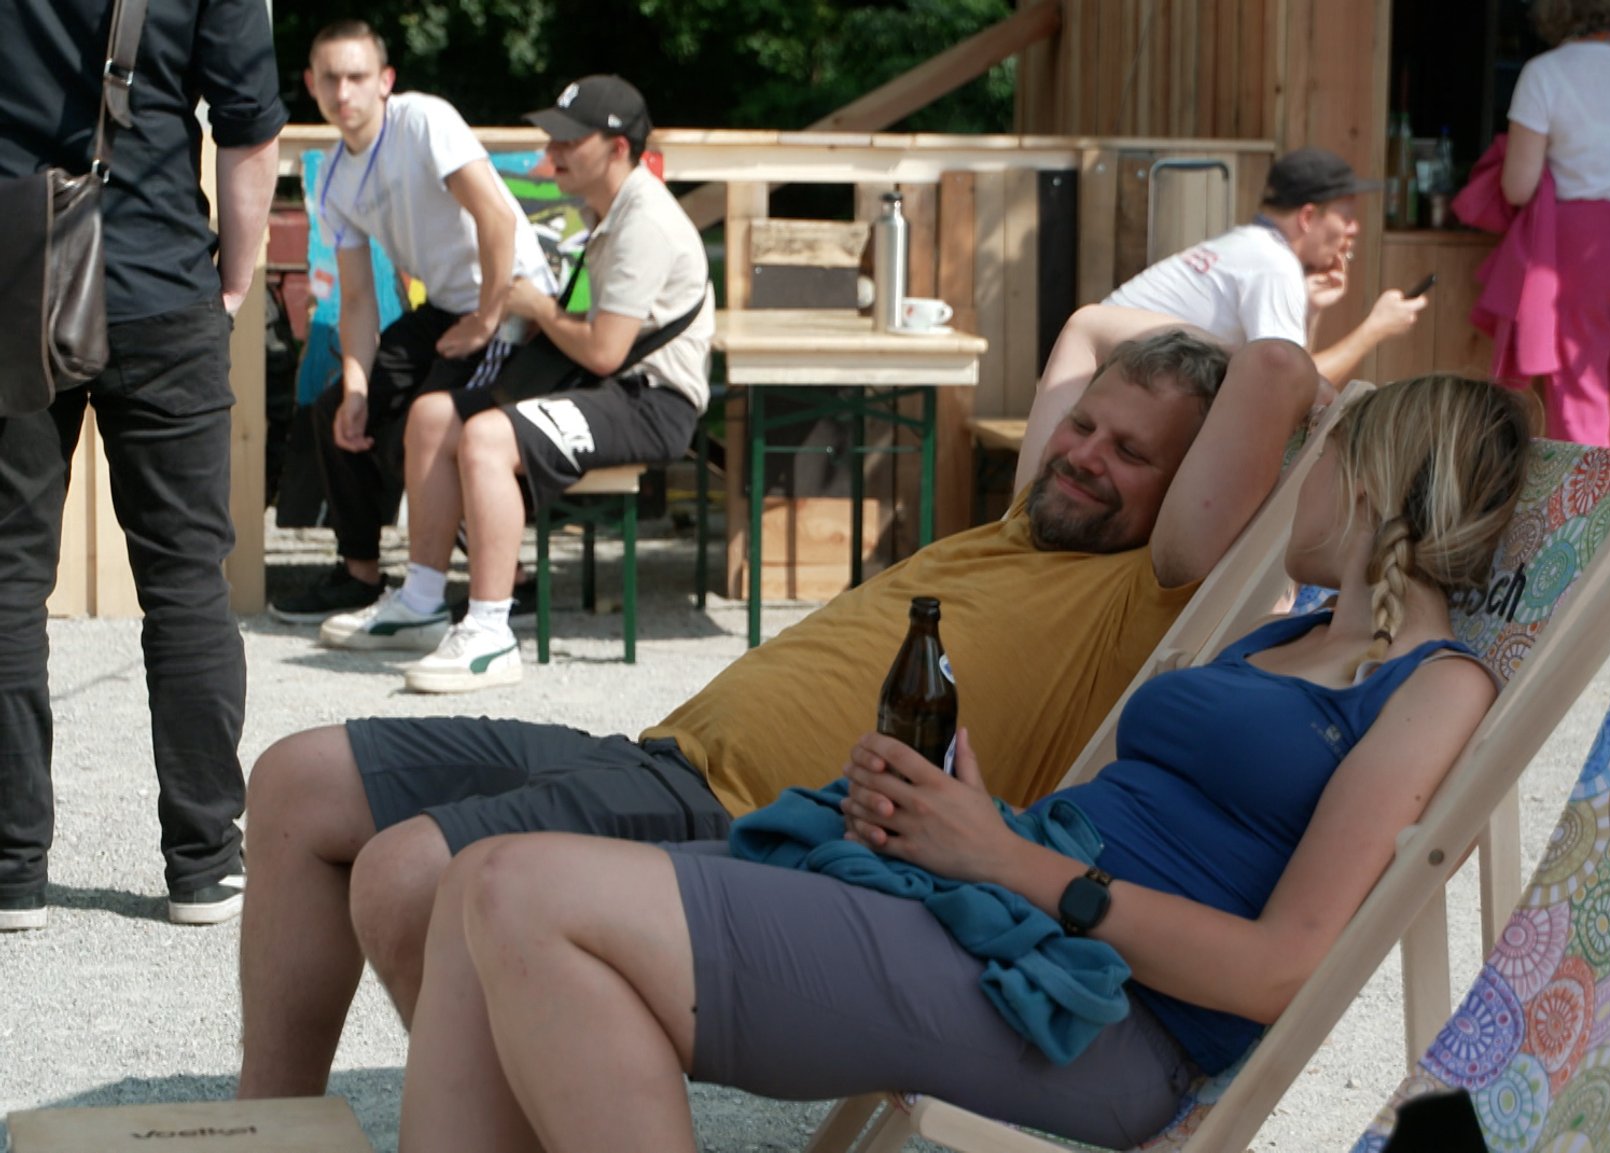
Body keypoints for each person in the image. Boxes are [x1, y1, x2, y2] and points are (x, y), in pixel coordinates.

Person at [394, 373, 1536, 1151]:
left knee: (518, 890)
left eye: (1321, 457)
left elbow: (1277, 971)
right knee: (473, 888)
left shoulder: (1433, 685)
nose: (1303, 481)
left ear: (1369, 483)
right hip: (995, 908)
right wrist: (972, 815)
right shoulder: (1284, 635)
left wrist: (1004, 857)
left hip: (1089, 1013)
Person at [236, 316, 1319, 1098]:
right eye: (1085, 427)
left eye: (1132, 453)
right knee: (298, 774)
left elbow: (1273, 366)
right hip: (657, 755)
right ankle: (270, 1128)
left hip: (750, 811)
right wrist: (1139, 382)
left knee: (407, 872)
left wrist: (1257, 390)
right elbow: (1087, 327)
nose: (1084, 456)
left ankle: (515, 1118)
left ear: (1185, 488)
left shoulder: (1148, 584)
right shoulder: (1026, 520)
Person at [0, 0, 285, 930]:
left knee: (5, 582)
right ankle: (204, 866)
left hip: (13, 280)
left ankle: (11, 873)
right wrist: (234, 285)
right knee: (186, 581)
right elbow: (247, 132)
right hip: (163, 282)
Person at [321, 75, 714, 694]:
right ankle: (421, 602)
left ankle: (489, 632)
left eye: (566, 142)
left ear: (616, 150)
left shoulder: (645, 221)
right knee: (430, 417)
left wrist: (535, 306)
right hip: (612, 387)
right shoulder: (610, 208)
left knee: (485, 439)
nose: (547, 154)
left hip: (650, 404)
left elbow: (608, 353)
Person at [267, 20, 557, 626]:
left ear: (385, 82)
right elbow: (357, 302)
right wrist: (355, 387)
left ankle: (511, 584)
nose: (343, 92)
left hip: (512, 303)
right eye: (330, 79)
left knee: (428, 425)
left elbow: (497, 221)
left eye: (357, 77)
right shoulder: (334, 179)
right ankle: (360, 574)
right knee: (338, 413)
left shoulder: (422, 121)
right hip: (448, 308)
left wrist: (485, 318)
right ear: (311, 85)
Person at [1012, 148, 1425, 485]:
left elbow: (1292, 377)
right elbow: (1292, 393)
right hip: (1114, 419)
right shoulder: (1273, 265)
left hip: (1089, 403)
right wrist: (1374, 330)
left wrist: (1310, 309)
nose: (1354, 229)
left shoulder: (1248, 245)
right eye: (1346, 216)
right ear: (1307, 217)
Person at [1500, 0, 1610, 450]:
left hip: (1582, 245)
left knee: (1581, 403)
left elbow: (1517, 188)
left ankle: (1594, 520)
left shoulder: (1544, 72)